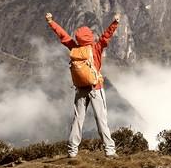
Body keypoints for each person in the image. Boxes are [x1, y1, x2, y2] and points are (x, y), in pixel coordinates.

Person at [45, 12, 121, 158]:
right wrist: (115, 23)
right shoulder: (96, 48)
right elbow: (106, 36)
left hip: (80, 89)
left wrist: (51, 22)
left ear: (79, 38)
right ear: (91, 37)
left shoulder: (74, 48)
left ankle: (72, 151)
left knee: (78, 119)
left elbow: (63, 36)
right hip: (95, 88)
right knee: (101, 119)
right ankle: (109, 150)